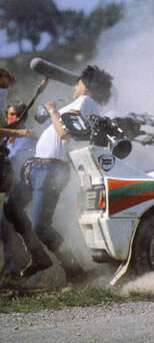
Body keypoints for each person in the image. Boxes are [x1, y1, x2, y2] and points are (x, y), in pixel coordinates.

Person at [4, 65, 113, 281]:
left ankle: (74, 271)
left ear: (87, 86)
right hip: (38, 167)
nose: (74, 87)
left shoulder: (85, 102)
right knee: (11, 207)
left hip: (50, 169)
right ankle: (38, 256)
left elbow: (65, 133)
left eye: (78, 83)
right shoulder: (83, 104)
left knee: (41, 225)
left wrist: (53, 110)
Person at [0, 101, 36, 278]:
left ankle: (27, 272)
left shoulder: (28, 137)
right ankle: (13, 270)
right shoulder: (5, 138)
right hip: (9, 190)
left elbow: (19, 161)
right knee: (5, 230)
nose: (13, 118)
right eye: (10, 115)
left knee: (21, 230)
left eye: (16, 115)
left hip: (24, 190)